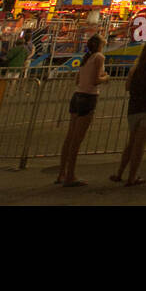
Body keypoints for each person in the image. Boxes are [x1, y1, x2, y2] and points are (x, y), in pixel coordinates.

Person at [111, 41, 146, 186]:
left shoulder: (135, 68)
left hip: (134, 108)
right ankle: (132, 176)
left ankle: (119, 173)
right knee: (139, 145)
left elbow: (127, 86)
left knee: (131, 143)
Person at [57, 35, 109, 187]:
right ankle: (70, 175)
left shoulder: (85, 58)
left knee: (70, 137)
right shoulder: (99, 57)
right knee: (77, 140)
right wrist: (106, 77)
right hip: (88, 97)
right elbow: (95, 80)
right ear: (99, 45)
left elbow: (77, 80)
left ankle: (62, 172)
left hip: (77, 95)